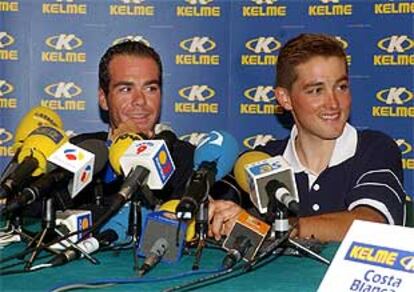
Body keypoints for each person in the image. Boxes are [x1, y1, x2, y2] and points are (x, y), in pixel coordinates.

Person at [208, 33, 406, 242]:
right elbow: (217, 211)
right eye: (316, 90)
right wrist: (215, 214)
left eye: (341, 87)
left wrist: (276, 229)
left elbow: (371, 226)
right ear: (285, 99)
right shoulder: (262, 160)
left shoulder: (374, 149)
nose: (333, 103)